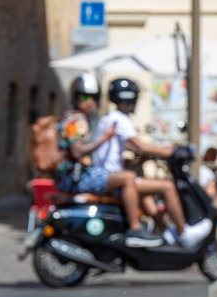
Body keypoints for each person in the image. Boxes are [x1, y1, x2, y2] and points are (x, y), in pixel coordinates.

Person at [92, 78, 212, 249]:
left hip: (109, 176)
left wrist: (155, 151)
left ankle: (163, 230)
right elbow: (141, 145)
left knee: (146, 191)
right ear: (128, 98)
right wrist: (172, 151)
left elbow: (133, 147)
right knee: (167, 186)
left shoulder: (109, 119)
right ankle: (183, 232)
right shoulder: (120, 119)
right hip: (112, 177)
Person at [55, 74, 163, 248]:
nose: (89, 102)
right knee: (128, 178)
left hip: (71, 175)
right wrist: (104, 139)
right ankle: (135, 229)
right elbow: (77, 151)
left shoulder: (76, 118)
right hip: (73, 177)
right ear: (75, 98)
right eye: (84, 97)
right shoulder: (76, 120)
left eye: (94, 98)